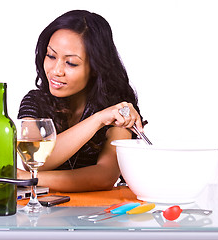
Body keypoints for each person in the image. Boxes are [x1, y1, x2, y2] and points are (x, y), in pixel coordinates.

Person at [17, 10, 144, 192]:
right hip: (45, 213)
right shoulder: (35, 101)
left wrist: (29, 179)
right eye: (51, 56)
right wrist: (98, 120)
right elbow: (35, 159)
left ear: (95, 67)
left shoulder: (117, 107)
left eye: (71, 63)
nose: (56, 70)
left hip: (100, 214)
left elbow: (105, 176)